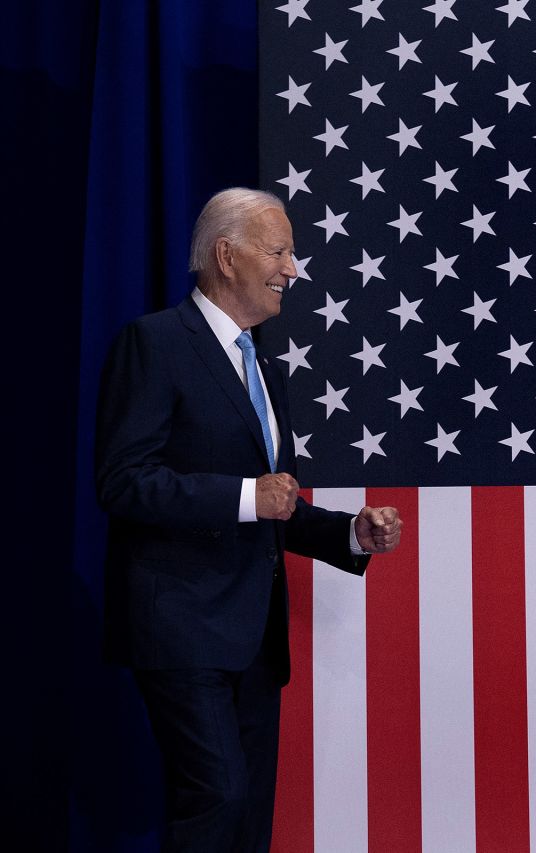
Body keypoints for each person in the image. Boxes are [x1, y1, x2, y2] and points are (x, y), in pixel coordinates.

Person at [96, 188, 403, 852]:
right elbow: (122, 481)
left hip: (255, 641)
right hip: (183, 628)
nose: (293, 268)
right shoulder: (154, 342)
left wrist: (351, 531)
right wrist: (244, 496)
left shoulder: (260, 366)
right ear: (226, 256)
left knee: (247, 819)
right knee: (216, 798)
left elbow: (275, 504)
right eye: (281, 249)